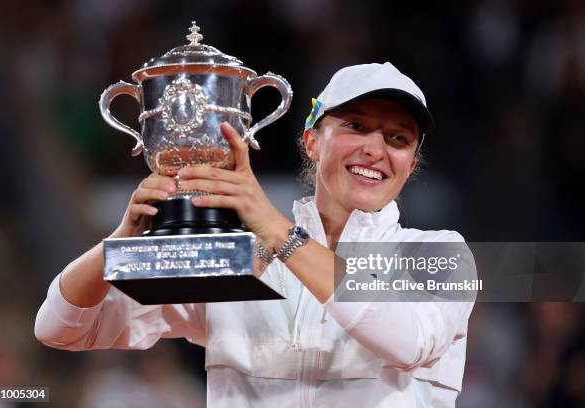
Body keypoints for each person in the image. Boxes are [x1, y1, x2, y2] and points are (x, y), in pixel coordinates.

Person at [35, 63, 474, 407]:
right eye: (356, 126)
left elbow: (405, 340)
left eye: (398, 138)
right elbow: (61, 328)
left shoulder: (439, 253)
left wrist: (270, 224)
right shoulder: (241, 259)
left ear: (410, 165)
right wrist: (122, 244)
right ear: (313, 141)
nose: (375, 149)